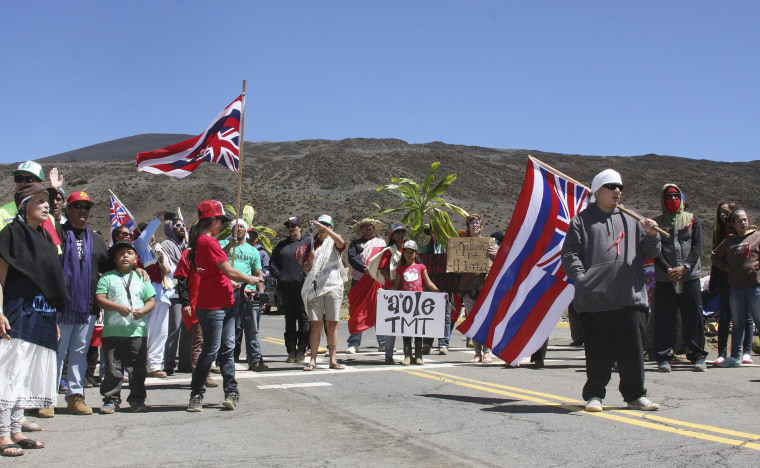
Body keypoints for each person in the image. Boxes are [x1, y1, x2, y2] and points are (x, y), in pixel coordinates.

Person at [561, 169, 661, 412]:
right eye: (611, 186)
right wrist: (582, 279)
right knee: (598, 350)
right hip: (596, 299)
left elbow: (651, 253)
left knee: (633, 351)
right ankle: (595, 395)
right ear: (597, 191)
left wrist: (651, 236)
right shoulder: (581, 221)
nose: (618, 191)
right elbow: (571, 253)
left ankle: (635, 395)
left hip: (630, 296)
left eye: (620, 187)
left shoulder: (634, 219)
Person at [0, 183, 67, 456]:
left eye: (47, 200)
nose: (46, 205)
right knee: (9, 374)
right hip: (17, 313)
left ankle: (16, 429)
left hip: (41, 315)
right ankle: (3, 434)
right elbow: (0, 277)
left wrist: (52, 320)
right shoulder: (11, 234)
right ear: (24, 205)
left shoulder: (45, 239)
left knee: (25, 376)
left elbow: (49, 284)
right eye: (39, 200)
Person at [187, 201, 261, 412]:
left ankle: (230, 391)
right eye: (220, 220)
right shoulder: (207, 242)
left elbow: (217, 272)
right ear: (213, 220)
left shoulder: (204, 242)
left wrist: (237, 283)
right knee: (211, 351)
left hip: (225, 300)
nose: (221, 225)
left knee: (227, 349)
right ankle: (197, 393)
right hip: (213, 305)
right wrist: (250, 279)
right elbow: (228, 270)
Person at [58, 191, 111, 415]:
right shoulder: (56, 235)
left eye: (86, 207)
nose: (83, 210)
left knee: (79, 352)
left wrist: (135, 268)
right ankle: (46, 399)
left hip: (87, 307)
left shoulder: (96, 240)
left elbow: (109, 269)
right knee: (57, 353)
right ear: (67, 210)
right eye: (78, 205)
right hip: (60, 307)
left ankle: (75, 397)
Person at [94, 241, 156, 414]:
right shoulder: (106, 277)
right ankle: (111, 399)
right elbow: (99, 299)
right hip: (113, 332)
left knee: (137, 369)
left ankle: (137, 399)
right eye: (120, 253)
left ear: (135, 258)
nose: (125, 256)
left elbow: (151, 300)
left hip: (137, 331)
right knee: (113, 368)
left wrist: (143, 310)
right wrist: (117, 308)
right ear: (114, 259)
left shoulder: (141, 277)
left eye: (129, 253)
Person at [651, 184, 708, 372]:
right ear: (663, 200)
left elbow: (697, 246)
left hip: (689, 276)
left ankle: (697, 355)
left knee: (694, 316)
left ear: (681, 198)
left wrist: (685, 268)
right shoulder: (657, 222)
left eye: (676, 196)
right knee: (664, 317)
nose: (673, 200)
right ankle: (664, 356)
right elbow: (656, 249)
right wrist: (669, 269)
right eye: (669, 196)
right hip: (665, 278)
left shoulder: (693, 220)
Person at [710, 209, 760, 367]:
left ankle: (746, 353)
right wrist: (726, 267)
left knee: (758, 320)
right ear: (733, 224)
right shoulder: (729, 241)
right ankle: (735, 357)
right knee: (737, 322)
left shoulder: (757, 237)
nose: (743, 222)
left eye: (745, 219)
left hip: (754, 287)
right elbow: (714, 256)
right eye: (740, 220)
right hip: (736, 288)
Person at [302, 215, 348, 371]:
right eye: (320, 226)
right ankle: (313, 359)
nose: (322, 228)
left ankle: (333, 360)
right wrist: (311, 260)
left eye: (326, 226)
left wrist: (326, 228)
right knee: (315, 324)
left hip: (333, 286)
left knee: (332, 323)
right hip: (315, 288)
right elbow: (306, 269)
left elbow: (342, 243)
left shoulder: (334, 243)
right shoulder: (312, 244)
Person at [220, 219, 265, 370]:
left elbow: (258, 273)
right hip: (228, 290)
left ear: (246, 230)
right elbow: (218, 263)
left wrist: (261, 294)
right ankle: (225, 359)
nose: (238, 229)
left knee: (252, 328)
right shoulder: (222, 245)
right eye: (235, 226)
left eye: (241, 227)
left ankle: (255, 360)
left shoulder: (252, 251)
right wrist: (229, 246)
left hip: (248, 292)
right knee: (230, 327)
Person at [391, 240, 440, 366]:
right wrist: (384, 292)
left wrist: (438, 292)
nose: (409, 254)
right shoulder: (400, 269)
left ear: (416, 254)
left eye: (411, 252)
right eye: (406, 252)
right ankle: (407, 355)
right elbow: (396, 286)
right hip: (405, 304)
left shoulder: (421, 267)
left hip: (419, 303)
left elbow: (428, 283)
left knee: (418, 330)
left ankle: (419, 356)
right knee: (406, 330)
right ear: (403, 254)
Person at [270, 216, 311, 363]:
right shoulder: (282, 245)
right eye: (288, 226)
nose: (291, 229)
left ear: (300, 227)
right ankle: (291, 351)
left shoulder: (308, 242)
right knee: (289, 320)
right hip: (286, 288)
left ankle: (302, 350)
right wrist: (279, 275)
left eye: (294, 226)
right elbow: (272, 263)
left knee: (304, 319)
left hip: (303, 287)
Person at [367, 223, 407, 364]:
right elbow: (383, 270)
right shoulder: (389, 252)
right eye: (397, 232)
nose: (400, 234)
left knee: (409, 323)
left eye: (402, 231)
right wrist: (397, 280)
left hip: (408, 290)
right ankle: (389, 354)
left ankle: (409, 354)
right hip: (393, 290)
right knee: (393, 324)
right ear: (392, 235)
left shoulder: (409, 250)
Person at [346, 218, 386, 353]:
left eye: (371, 226)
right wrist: (365, 269)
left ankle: (383, 342)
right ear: (361, 229)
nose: (369, 228)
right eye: (366, 226)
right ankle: (354, 343)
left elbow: (384, 259)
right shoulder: (355, 244)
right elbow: (352, 258)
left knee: (380, 312)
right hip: (360, 282)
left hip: (377, 282)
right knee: (357, 312)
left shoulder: (381, 243)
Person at [460, 213, 493, 363]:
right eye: (471, 223)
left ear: (481, 225)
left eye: (477, 223)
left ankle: (487, 351)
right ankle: (477, 352)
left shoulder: (488, 244)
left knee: (485, 319)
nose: (474, 225)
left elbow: (497, 263)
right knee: (473, 320)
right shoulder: (461, 245)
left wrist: (495, 255)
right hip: (468, 287)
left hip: (484, 286)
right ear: (468, 226)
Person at [162, 218, 187, 375]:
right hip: (175, 292)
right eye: (178, 226)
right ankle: (168, 362)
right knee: (174, 328)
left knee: (187, 329)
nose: (182, 228)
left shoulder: (186, 245)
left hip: (188, 291)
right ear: (170, 228)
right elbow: (176, 266)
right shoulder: (166, 246)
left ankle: (185, 362)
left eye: (183, 225)